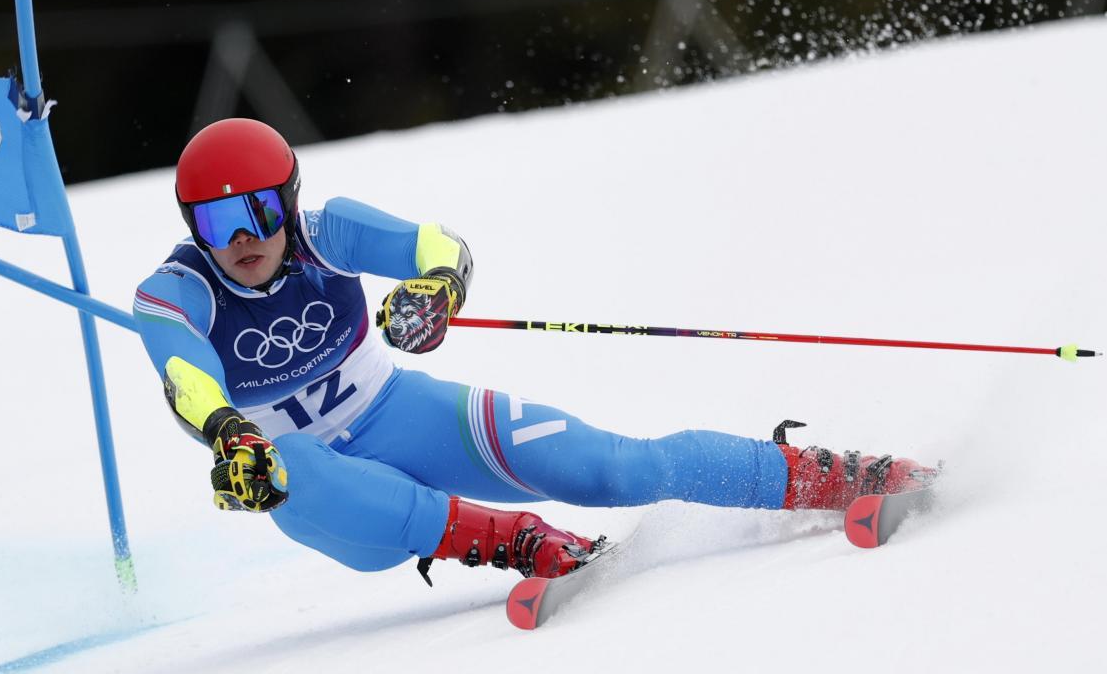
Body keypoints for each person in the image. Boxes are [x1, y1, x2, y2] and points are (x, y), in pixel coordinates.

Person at [134, 118, 938, 584]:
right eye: (215, 223)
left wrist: (437, 291)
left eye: (258, 211)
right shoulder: (175, 292)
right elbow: (185, 376)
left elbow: (437, 244)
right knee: (284, 468)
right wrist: (230, 434)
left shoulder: (325, 232)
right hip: (337, 504)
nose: (242, 239)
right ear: (190, 229)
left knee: (612, 468)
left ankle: (827, 475)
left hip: (397, 414)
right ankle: (515, 539)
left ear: (290, 200)